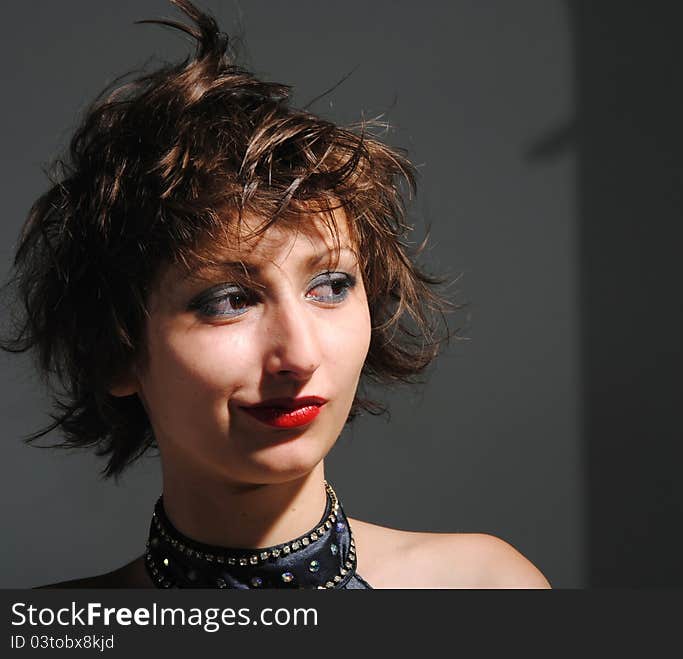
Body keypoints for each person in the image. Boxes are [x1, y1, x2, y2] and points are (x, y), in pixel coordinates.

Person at [1, 0, 549, 589]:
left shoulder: (483, 588)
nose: (299, 354)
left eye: (332, 286)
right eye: (229, 300)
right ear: (116, 349)